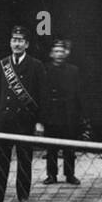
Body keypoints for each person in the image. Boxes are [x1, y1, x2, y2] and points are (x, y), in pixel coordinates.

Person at [0, 26, 45, 202]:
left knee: (25, 159)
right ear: (10, 43)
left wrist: (40, 121)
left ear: (26, 44)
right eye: (14, 40)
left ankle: (23, 195)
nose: (16, 44)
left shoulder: (36, 66)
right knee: (0, 159)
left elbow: (42, 95)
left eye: (20, 41)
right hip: (4, 119)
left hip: (25, 120)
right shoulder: (3, 64)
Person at [41, 38, 87, 185]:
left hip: (68, 115)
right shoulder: (45, 70)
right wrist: (41, 118)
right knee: (51, 147)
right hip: (51, 114)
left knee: (69, 147)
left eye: (61, 51)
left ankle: (70, 174)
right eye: (56, 51)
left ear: (66, 53)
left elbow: (78, 94)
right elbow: (41, 95)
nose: (59, 54)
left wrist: (80, 115)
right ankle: (51, 175)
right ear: (51, 54)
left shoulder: (73, 70)